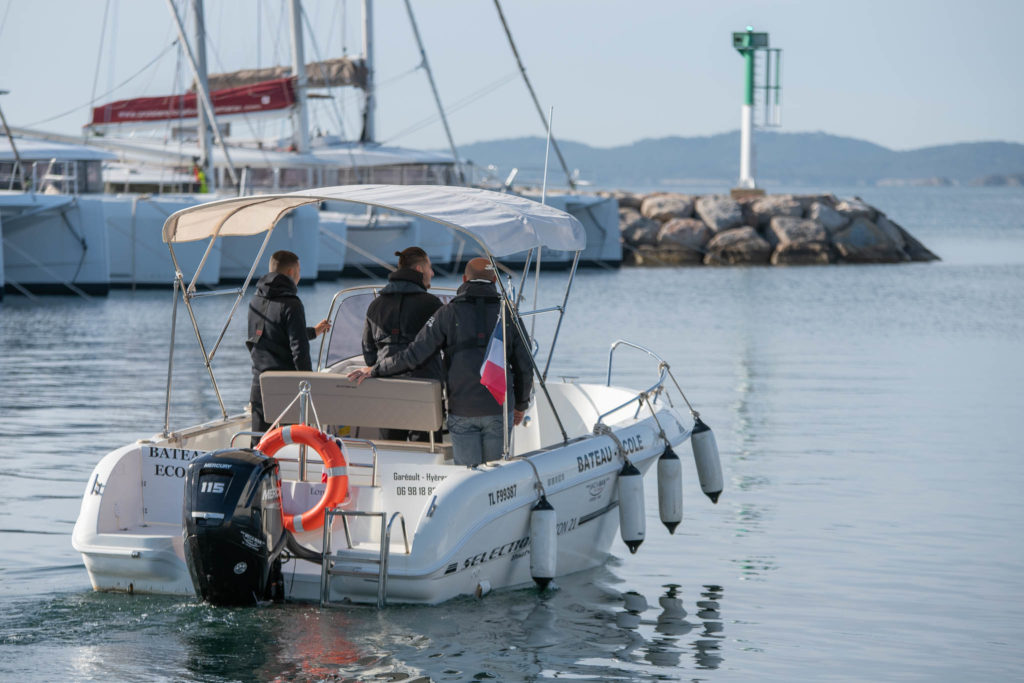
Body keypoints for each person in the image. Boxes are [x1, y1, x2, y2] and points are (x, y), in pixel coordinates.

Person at [348, 257, 533, 466]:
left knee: (467, 476)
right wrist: (520, 405)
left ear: (464, 279)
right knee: (498, 474)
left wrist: (376, 370)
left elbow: (414, 354)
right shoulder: (508, 313)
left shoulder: (447, 312)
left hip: (462, 410)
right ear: (493, 282)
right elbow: (525, 364)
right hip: (499, 408)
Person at [247, 250, 330, 442]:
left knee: (259, 443)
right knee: (287, 444)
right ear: (292, 272)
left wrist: (313, 332)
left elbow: (268, 335)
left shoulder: (255, 300)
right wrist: (309, 385)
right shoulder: (292, 304)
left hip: (259, 383)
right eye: (299, 271)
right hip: (285, 388)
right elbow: (299, 350)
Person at [361, 246, 444, 441]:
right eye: (429, 267)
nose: (432, 273)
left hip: (386, 390)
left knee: (390, 450)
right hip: (424, 392)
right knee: (426, 454)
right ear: (418, 270)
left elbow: (369, 354)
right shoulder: (432, 305)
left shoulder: (376, 306)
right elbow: (446, 346)